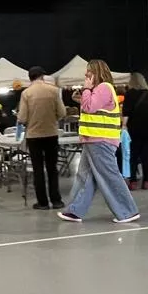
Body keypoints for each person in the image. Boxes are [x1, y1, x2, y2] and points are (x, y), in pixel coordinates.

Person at [59, 60, 140, 224]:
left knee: (109, 175)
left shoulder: (104, 88)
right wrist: (84, 95)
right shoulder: (100, 89)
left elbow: (90, 107)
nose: (86, 74)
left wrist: (86, 90)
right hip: (93, 139)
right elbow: (92, 106)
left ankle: (127, 211)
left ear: (97, 72)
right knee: (86, 176)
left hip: (100, 140)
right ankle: (75, 211)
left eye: (89, 72)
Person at [16, 66, 66, 210]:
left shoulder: (26, 93)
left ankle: (42, 202)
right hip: (51, 134)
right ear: (42, 76)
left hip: (34, 136)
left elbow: (22, 117)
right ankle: (56, 200)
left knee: (38, 169)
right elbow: (62, 113)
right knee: (52, 168)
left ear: (30, 77)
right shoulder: (54, 90)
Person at [122, 73, 148, 190]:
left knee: (133, 154)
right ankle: (146, 180)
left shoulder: (129, 94)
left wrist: (124, 125)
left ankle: (133, 181)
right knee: (145, 154)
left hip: (134, 128)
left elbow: (126, 112)